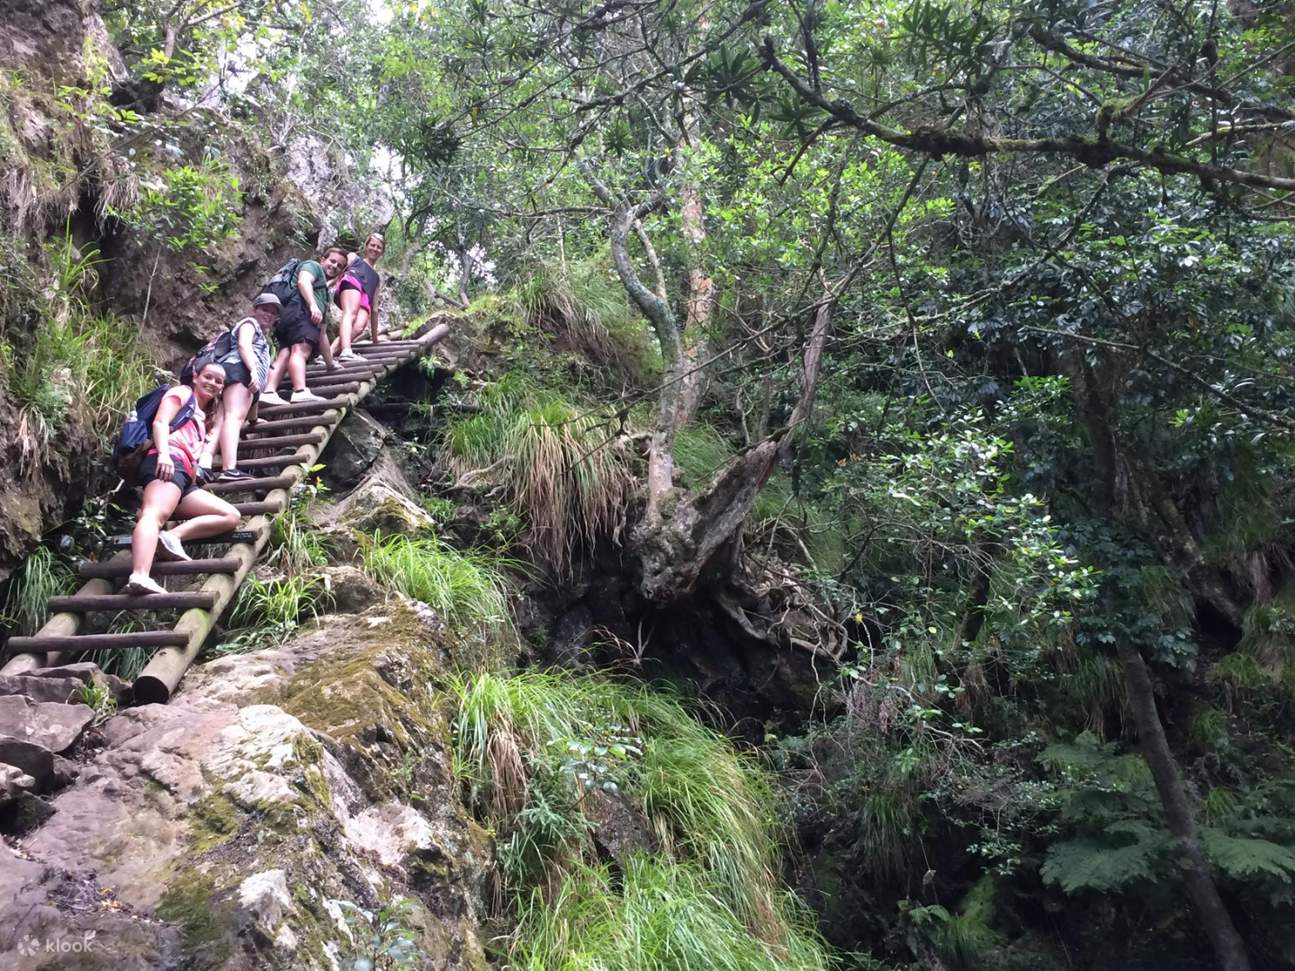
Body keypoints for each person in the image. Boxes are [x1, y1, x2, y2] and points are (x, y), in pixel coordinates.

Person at [124, 362, 241, 596]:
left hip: (184, 475)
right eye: (208, 377)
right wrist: (164, 455)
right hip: (167, 462)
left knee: (230, 515)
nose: (213, 383)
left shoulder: (204, 412)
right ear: (196, 377)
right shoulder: (182, 393)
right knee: (153, 515)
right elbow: (160, 422)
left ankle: (172, 537)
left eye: (219, 381)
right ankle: (140, 574)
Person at [260, 246, 348, 406]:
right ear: (323, 259)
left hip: (288, 316)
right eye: (332, 261)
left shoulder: (323, 292)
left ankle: (268, 391)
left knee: (286, 353)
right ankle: (300, 391)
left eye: (339, 265)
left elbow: (322, 332)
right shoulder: (312, 266)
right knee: (300, 351)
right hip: (300, 312)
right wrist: (313, 305)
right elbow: (303, 281)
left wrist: (330, 364)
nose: (335, 266)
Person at [213, 293, 278, 482]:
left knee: (223, 418)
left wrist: (255, 418)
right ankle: (229, 469)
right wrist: (253, 371)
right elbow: (243, 346)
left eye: (273, 313)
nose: (269, 315)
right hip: (240, 370)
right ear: (254, 310)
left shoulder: (262, 337)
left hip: (232, 371)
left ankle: (204, 465)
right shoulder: (250, 324)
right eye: (265, 309)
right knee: (234, 418)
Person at [332, 232, 386, 361]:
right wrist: (327, 283)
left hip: (365, 295)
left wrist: (375, 340)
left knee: (359, 327)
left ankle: (328, 353)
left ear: (382, 252)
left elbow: (374, 309)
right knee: (350, 314)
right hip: (352, 281)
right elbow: (338, 269)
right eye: (372, 245)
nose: (375, 249)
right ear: (366, 246)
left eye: (379, 247)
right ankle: (346, 350)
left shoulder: (376, 278)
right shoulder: (354, 258)